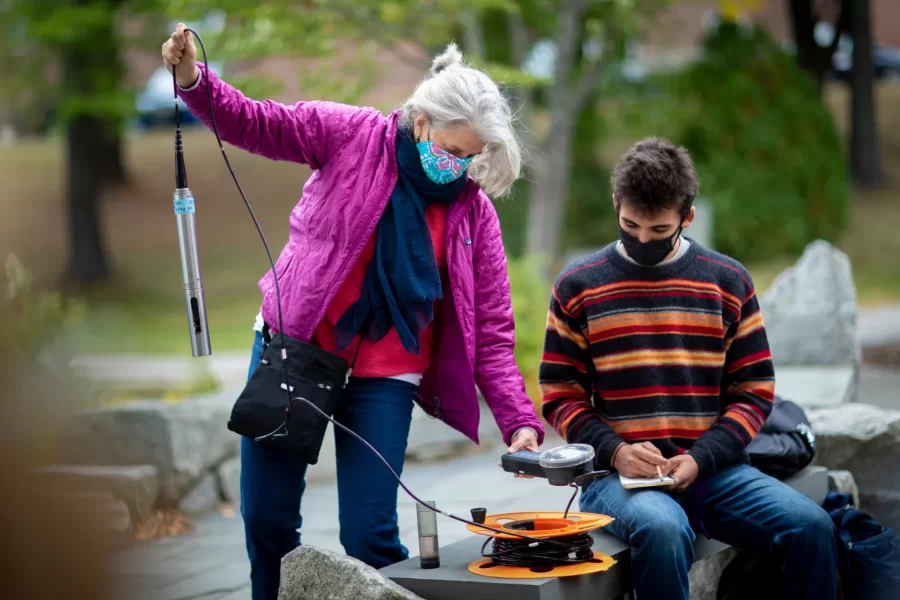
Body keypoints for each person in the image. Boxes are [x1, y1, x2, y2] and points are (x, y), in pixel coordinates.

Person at [161, 24, 545, 600]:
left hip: (386, 377)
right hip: (297, 350)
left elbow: (491, 333)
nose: (457, 167)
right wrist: (193, 79)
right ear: (421, 121)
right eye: (450, 149)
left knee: (371, 537)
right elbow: (258, 122)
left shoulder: (473, 216)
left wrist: (518, 421)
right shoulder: (349, 134)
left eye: (470, 157)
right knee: (267, 522)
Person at [538, 137, 839, 599]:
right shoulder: (578, 285)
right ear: (615, 204)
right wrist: (616, 451)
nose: (641, 241)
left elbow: (755, 391)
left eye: (659, 231)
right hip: (616, 478)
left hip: (715, 470)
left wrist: (701, 458)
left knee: (812, 527)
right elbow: (560, 394)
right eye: (629, 226)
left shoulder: (728, 280)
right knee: (663, 529)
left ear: (688, 216)